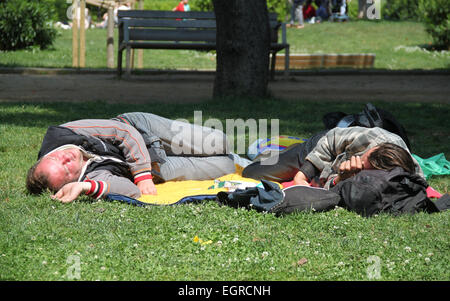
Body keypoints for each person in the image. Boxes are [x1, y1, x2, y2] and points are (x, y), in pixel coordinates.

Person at [26, 112, 236, 203]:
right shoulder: (87, 180)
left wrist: (142, 175)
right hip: (156, 167)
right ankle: (249, 161)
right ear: (71, 180)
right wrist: (88, 188)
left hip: (142, 130)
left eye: (56, 158)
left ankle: (253, 156)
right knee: (226, 165)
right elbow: (131, 190)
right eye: (66, 168)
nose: (65, 158)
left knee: (221, 142)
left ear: (46, 156)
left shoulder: (64, 133)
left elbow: (122, 132)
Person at [242, 126, 424, 189]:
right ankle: (281, 150)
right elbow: (330, 140)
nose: (359, 164)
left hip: (332, 167)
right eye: (362, 159)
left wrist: (340, 179)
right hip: (321, 146)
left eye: (364, 168)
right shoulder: (372, 138)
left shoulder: (407, 172)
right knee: (252, 172)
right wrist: (301, 175)